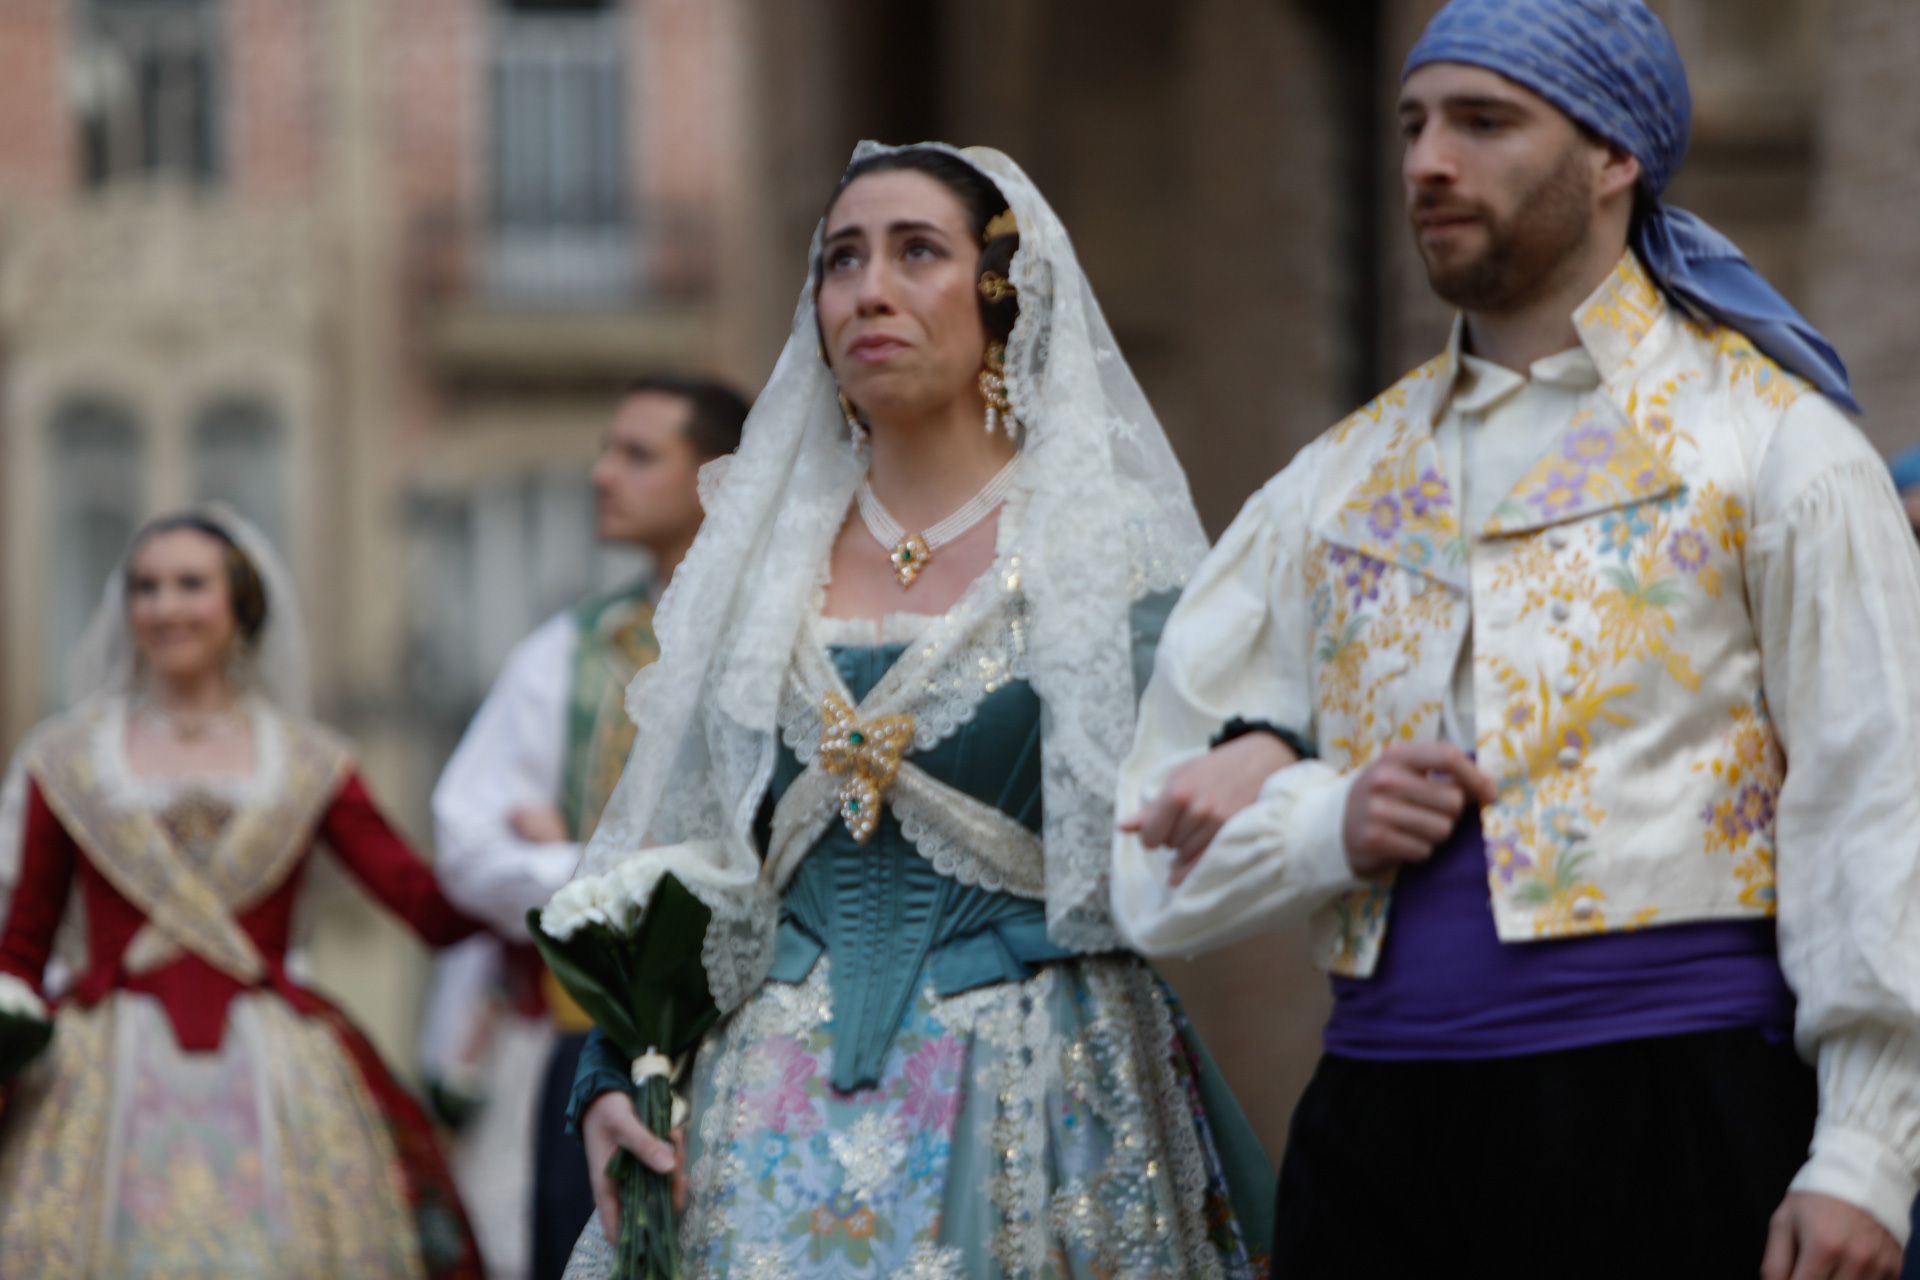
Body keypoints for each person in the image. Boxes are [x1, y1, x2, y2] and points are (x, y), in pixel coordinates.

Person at [1113, 3, 1920, 1277]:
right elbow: (1146, 861)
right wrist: (1329, 818)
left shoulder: (1779, 449)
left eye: (1486, 123)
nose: (1430, 161)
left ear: (1616, 158)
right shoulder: (1330, 483)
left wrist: (1868, 1150)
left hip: (1681, 1119)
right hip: (1381, 1136)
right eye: (1415, 123)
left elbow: (1878, 800)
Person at [553, 142, 1273, 1278]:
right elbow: (686, 850)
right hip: (765, 1102)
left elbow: (1238, 776)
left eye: (916, 251)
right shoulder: (756, 567)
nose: (869, 288)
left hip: (1037, 1088)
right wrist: (612, 1074)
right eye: (842, 259)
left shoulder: (1106, 554)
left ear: (1001, 292)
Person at [0, 507, 486, 1278]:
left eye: (191, 585)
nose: (165, 608)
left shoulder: (306, 761)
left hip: (276, 1066)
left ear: (242, 606)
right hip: (101, 1072)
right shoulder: (69, 759)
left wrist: (544, 874)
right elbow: (24, 941)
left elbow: (418, 901)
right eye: (147, 588)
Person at [430, 375, 749, 1280]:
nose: (601, 474)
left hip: (765, 1036)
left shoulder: (796, 634)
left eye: (637, 454)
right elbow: (467, 844)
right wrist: (604, 868)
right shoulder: (571, 651)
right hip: (594, 1046)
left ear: (717, 476)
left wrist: (570, 860)